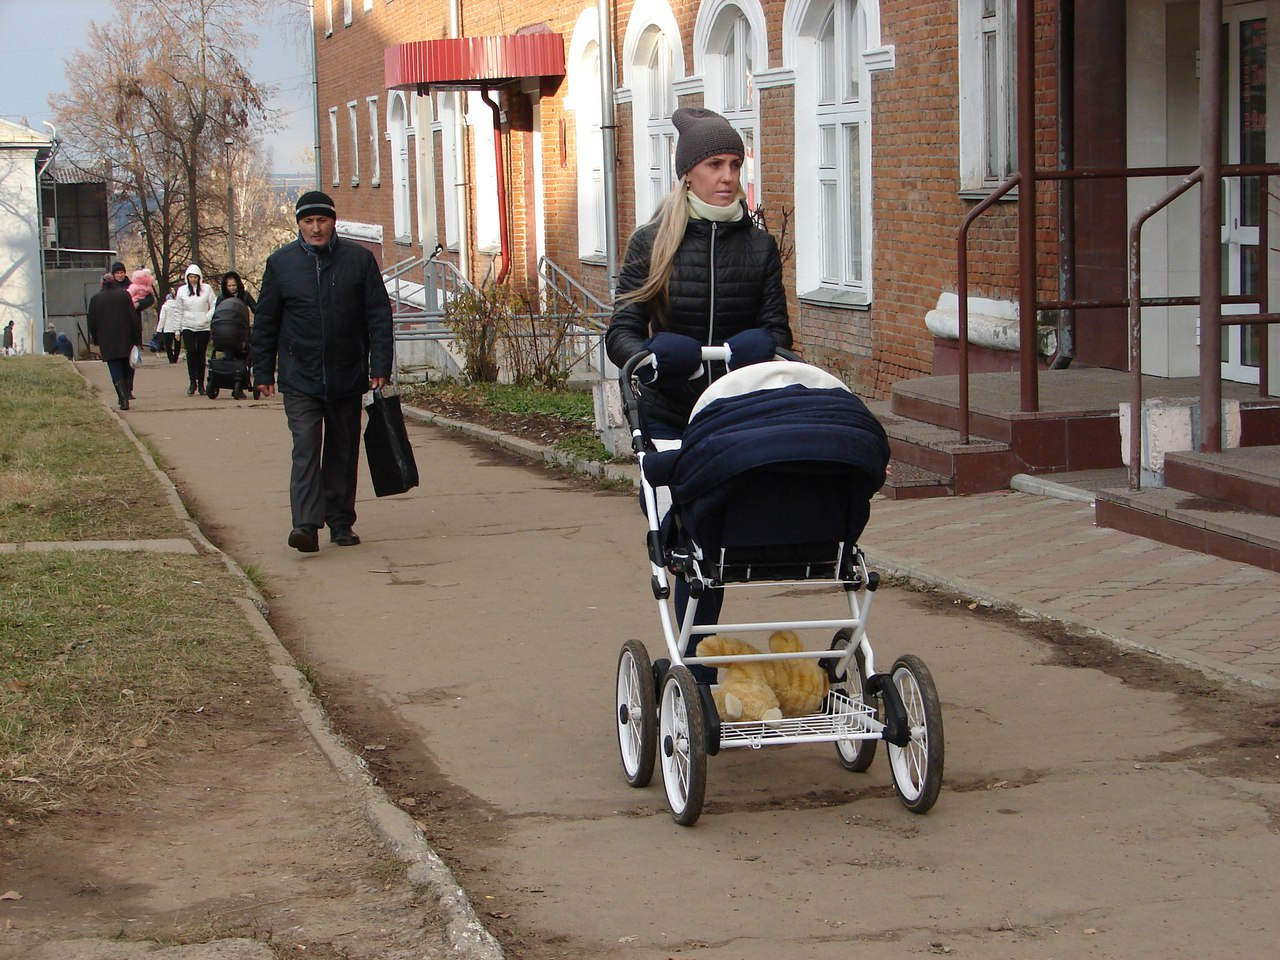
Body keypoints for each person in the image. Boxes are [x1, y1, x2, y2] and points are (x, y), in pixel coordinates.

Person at [604, 106, 793, 683]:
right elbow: (622, 330)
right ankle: (696, 665)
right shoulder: (653, 241)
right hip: (670, 415)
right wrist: (651, 359)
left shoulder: (758, 248)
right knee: (685, 545)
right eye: (715, 163)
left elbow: (780, 334)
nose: (728, 175)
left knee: (721, 546)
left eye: (735, 162)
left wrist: (764, 348)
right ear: (688, 172)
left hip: (734, 415)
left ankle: (693, 663)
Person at [252, 190, 393, 553]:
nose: (316, 228)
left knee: (343, 450)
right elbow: (266, 321)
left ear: (334, 221)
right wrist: (263, 371)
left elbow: (378, 315)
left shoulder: (358, 261)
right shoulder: (281, 263)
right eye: (308, 222)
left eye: (322, 221)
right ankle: (305, 525)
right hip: (301, 375)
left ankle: (341, 521)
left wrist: (380, 365)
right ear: (298, 224)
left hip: (346, 372)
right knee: (306, 447)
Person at [86, 272, 142, 410]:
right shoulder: (124, 295)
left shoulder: (95, 299)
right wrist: (137, 338)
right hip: (126, 337)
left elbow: (91, 322)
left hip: (107, 340)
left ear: (102, 284)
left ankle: (122, 398)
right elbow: (133, 317)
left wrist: (96, 339)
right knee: (127, 366)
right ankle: (127, 392)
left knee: (115, 367)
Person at [175, 264, 215, 395]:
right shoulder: (182, 291)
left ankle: (201, 383)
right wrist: (177, 330)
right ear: (187, 277)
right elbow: (178, 310)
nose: (193, 279)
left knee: (201, 354)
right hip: (188, 326)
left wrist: (207, 317)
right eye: (190, 277)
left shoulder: (207, 289)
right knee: (191, 353)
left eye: (195, 277)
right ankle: (192, 382)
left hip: (203, 326)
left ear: (199, 277)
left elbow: (214, 305)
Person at [156, 291, 182, 363]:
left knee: (168, 345)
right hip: (178, 328)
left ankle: (171, 359)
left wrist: (159, 329)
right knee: (177, 344)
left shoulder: (165, 306)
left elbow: (162, 318)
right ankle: (175, 358)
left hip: (168, 328)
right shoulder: (178, 306)